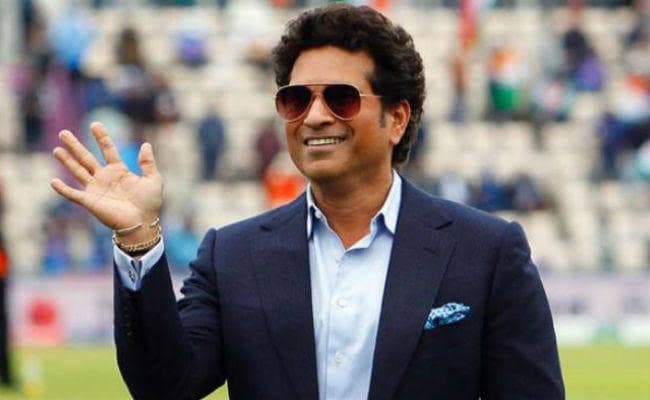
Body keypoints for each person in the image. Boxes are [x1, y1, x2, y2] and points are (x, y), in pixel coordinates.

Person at [50, 4, 564, 399]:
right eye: (296, 100)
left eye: (340, 98)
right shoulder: (232, 256)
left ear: (397, 118)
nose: (314, 116)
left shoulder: (487, 252)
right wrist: (138, 238)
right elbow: (165, 385)